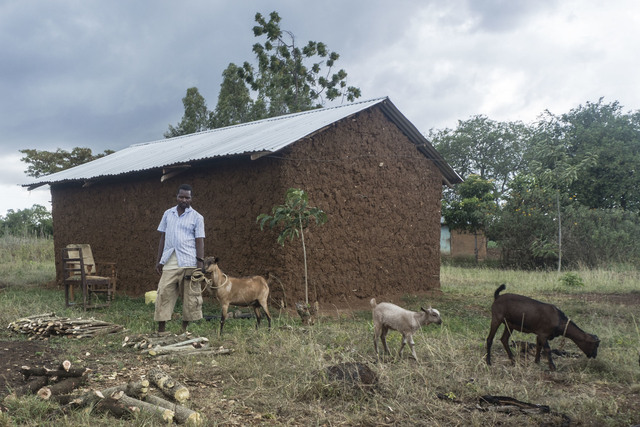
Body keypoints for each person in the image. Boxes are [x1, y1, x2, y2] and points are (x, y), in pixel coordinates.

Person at [154, 184, 205, 333]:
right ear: (176, 197)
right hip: (170, 261)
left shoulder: (197, 217)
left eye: (187, 197)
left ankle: (184, 330)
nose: (184, 199)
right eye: (181, 196)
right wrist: (159, 260)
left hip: (189, 261)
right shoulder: (168, 214)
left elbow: (199, 240)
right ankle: (161, 330)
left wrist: (199, 264)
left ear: (191, 199)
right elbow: (163, 237)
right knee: (163, 293)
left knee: (190, 297)